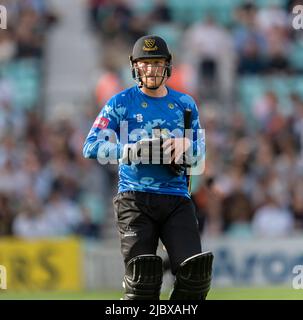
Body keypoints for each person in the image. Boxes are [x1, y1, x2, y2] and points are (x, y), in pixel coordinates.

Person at [83, 35, 213, 300]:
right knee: (143, 281)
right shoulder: (120, 102)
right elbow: (91, 146)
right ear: (134, 66)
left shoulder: (185, 105)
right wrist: (128, 151)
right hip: (135, 199)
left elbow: (200, 152)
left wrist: (186, 147)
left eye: (157, 63)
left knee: (195, 277)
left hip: (176, 198)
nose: (151, 69)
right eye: (145, 63)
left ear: (167, 66)